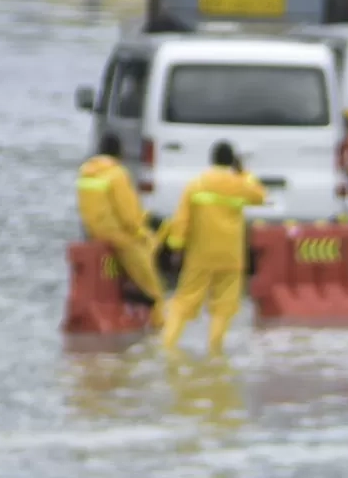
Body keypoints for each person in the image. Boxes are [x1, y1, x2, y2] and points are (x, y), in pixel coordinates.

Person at [162, 141, 267, 358]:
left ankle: (168, 345)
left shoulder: (196, 185)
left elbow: (182, 220)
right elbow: (260, 195)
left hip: (200, 255)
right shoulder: (239, 184)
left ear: (212, 160)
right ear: (232, 161)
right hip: (230, 257)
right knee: (223, 307)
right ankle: (215, 350)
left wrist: (176, 247)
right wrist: (244, 172)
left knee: (184, 302)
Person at [76, 136, 165, 318]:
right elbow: (128, 214)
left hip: (93, 232)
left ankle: (128, 293)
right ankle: (156, 317)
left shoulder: (85, 172)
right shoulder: (117, 174)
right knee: (148, 268)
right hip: (116, 236)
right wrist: (142, 233)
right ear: (120, 153)